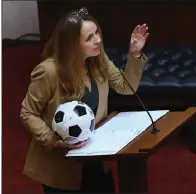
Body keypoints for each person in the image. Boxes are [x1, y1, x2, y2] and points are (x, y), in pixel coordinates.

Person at [20, 7, 149, 193]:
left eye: (97, 33)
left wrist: (135, 53)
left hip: (95, 158)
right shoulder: (48, 71)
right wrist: (53, 140)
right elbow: (27, 112)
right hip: (61, 165)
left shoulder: (98, 59)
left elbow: (126, 87)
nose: (98, 40)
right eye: (89, 37)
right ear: (71, 43)